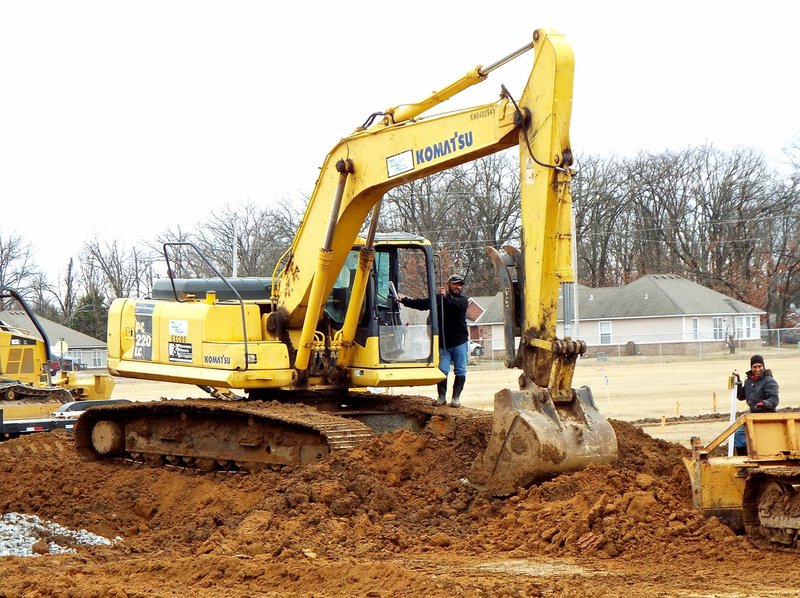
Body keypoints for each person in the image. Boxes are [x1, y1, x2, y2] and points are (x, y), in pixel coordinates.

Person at [400, 274, 469, 407]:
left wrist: (446, 297)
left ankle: (456, 399)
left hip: (459, 342)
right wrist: (403, 300)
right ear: (448, 284)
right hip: (443, 343)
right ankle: (442, 397)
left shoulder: (463, 301)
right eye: (455, 284)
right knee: (442, 371)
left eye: (460, 285)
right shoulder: (438, 299)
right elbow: (421, 304)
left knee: (460, 370)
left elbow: (455, 305)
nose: (457, 287)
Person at [732, 354, 779, 455]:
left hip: (767, 416)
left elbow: (774, 399)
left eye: (759, 366)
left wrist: (764, 403)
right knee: (738, 435)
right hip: (753, 416)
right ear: (751, 367)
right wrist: (738, 382)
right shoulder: (749, 381)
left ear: (763, 366)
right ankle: (744, 460)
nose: (757, 369)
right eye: (754, 367)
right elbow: (741, 396)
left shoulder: (769, 381)